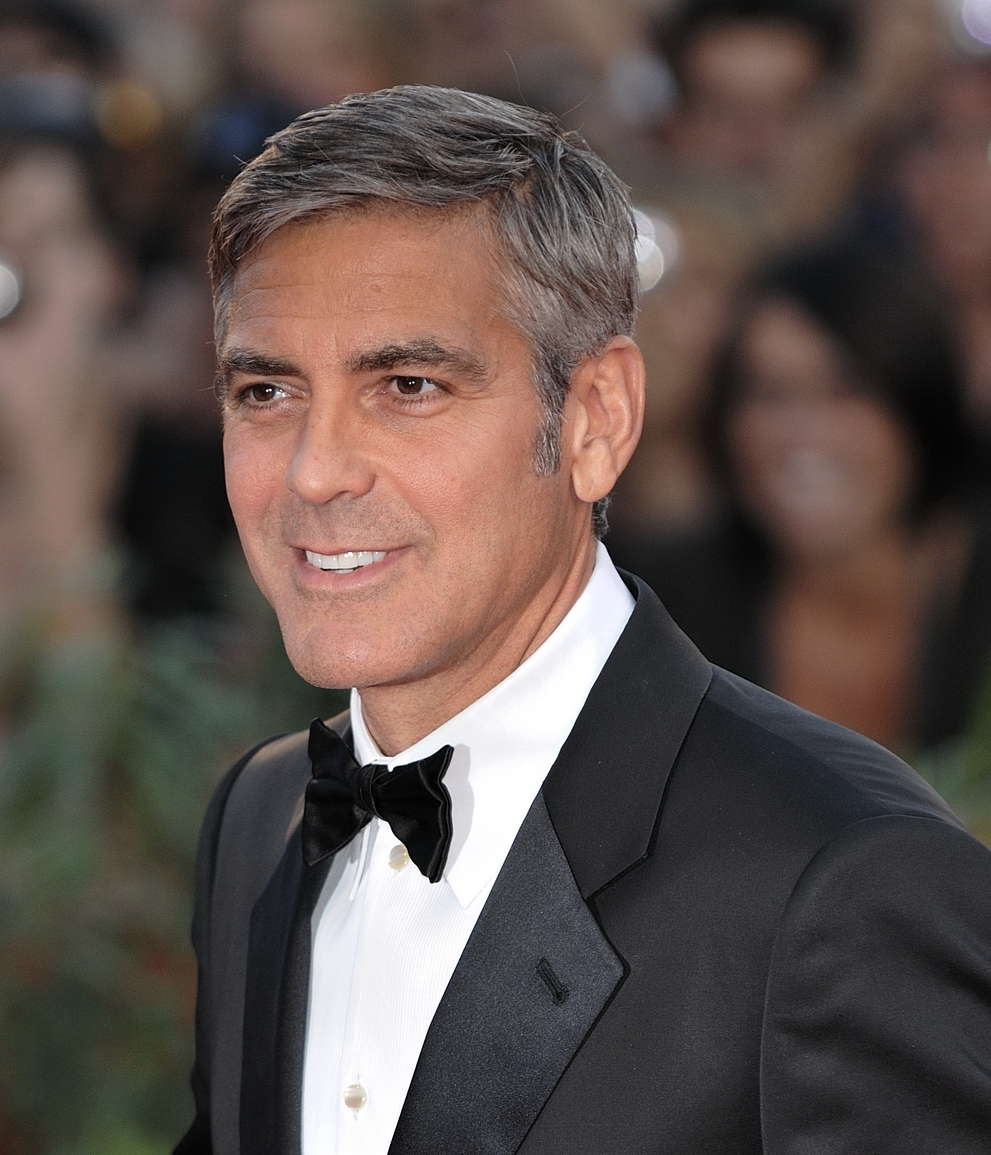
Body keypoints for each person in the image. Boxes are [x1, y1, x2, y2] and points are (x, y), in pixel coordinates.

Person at [174, 86, 991, 1155]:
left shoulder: (838, 879)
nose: (314, 472)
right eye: (266, 393)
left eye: (408, 386)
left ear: (597, 420)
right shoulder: (261, 816)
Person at [625, 233, 991, 757]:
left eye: (846, 389)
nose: (802, 435)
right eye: (768, 393)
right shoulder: (657, 605)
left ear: (916, 400)